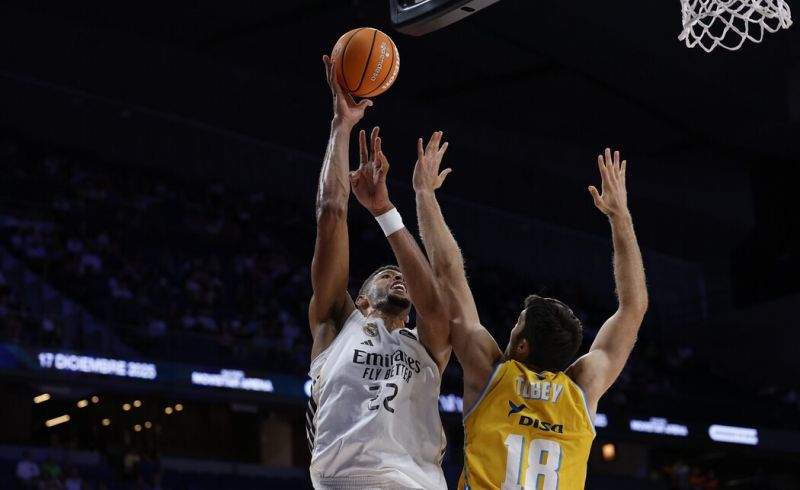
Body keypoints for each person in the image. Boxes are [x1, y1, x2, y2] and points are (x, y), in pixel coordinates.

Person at [411, 136, 648, 489]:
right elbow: (634, 307)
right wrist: (620, 216)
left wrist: (424, 195)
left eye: (517, 325)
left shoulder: (490, 374)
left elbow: (448, 273)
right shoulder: (582, 389)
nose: (511, 331)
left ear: (522, 346)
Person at [305, 55, 451, 490]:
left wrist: (386, 211)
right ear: (361, 298)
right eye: (385, 274)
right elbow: (331, 214)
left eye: (398, 272)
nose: (397, 275)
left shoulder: (431, 342)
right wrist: (341, 124)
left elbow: (434, 302)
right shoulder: (337, 324)